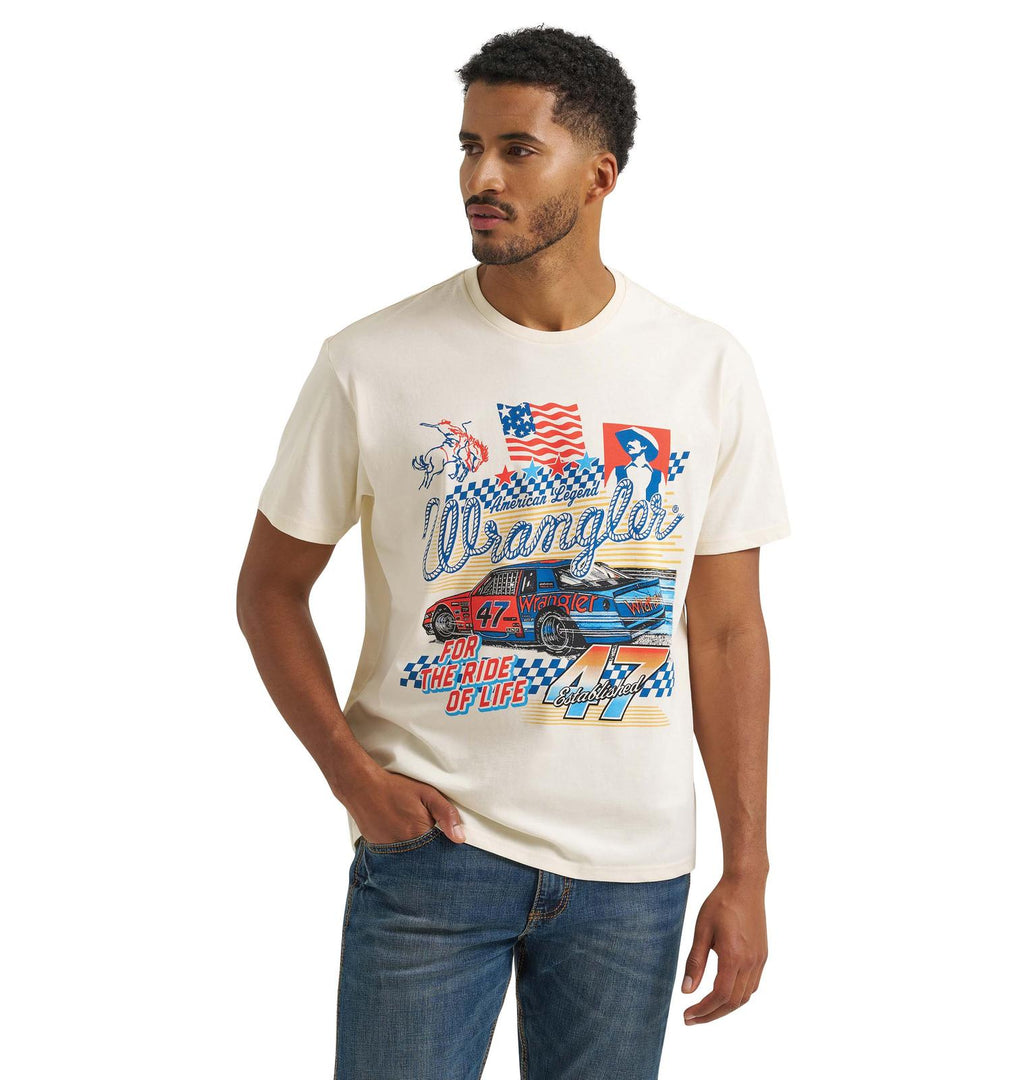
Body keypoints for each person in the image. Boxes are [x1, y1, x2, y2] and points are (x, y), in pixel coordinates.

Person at [236, 25, 790, 1080]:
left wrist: (748, 869)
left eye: (517, 150)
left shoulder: (704, 367)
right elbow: (270, 590)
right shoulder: (370, 361)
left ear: (600, 175)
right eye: (468, 146)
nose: (479, 178)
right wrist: (354, 780)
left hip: (634, 874)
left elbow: (724, 633)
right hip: (433, 851)